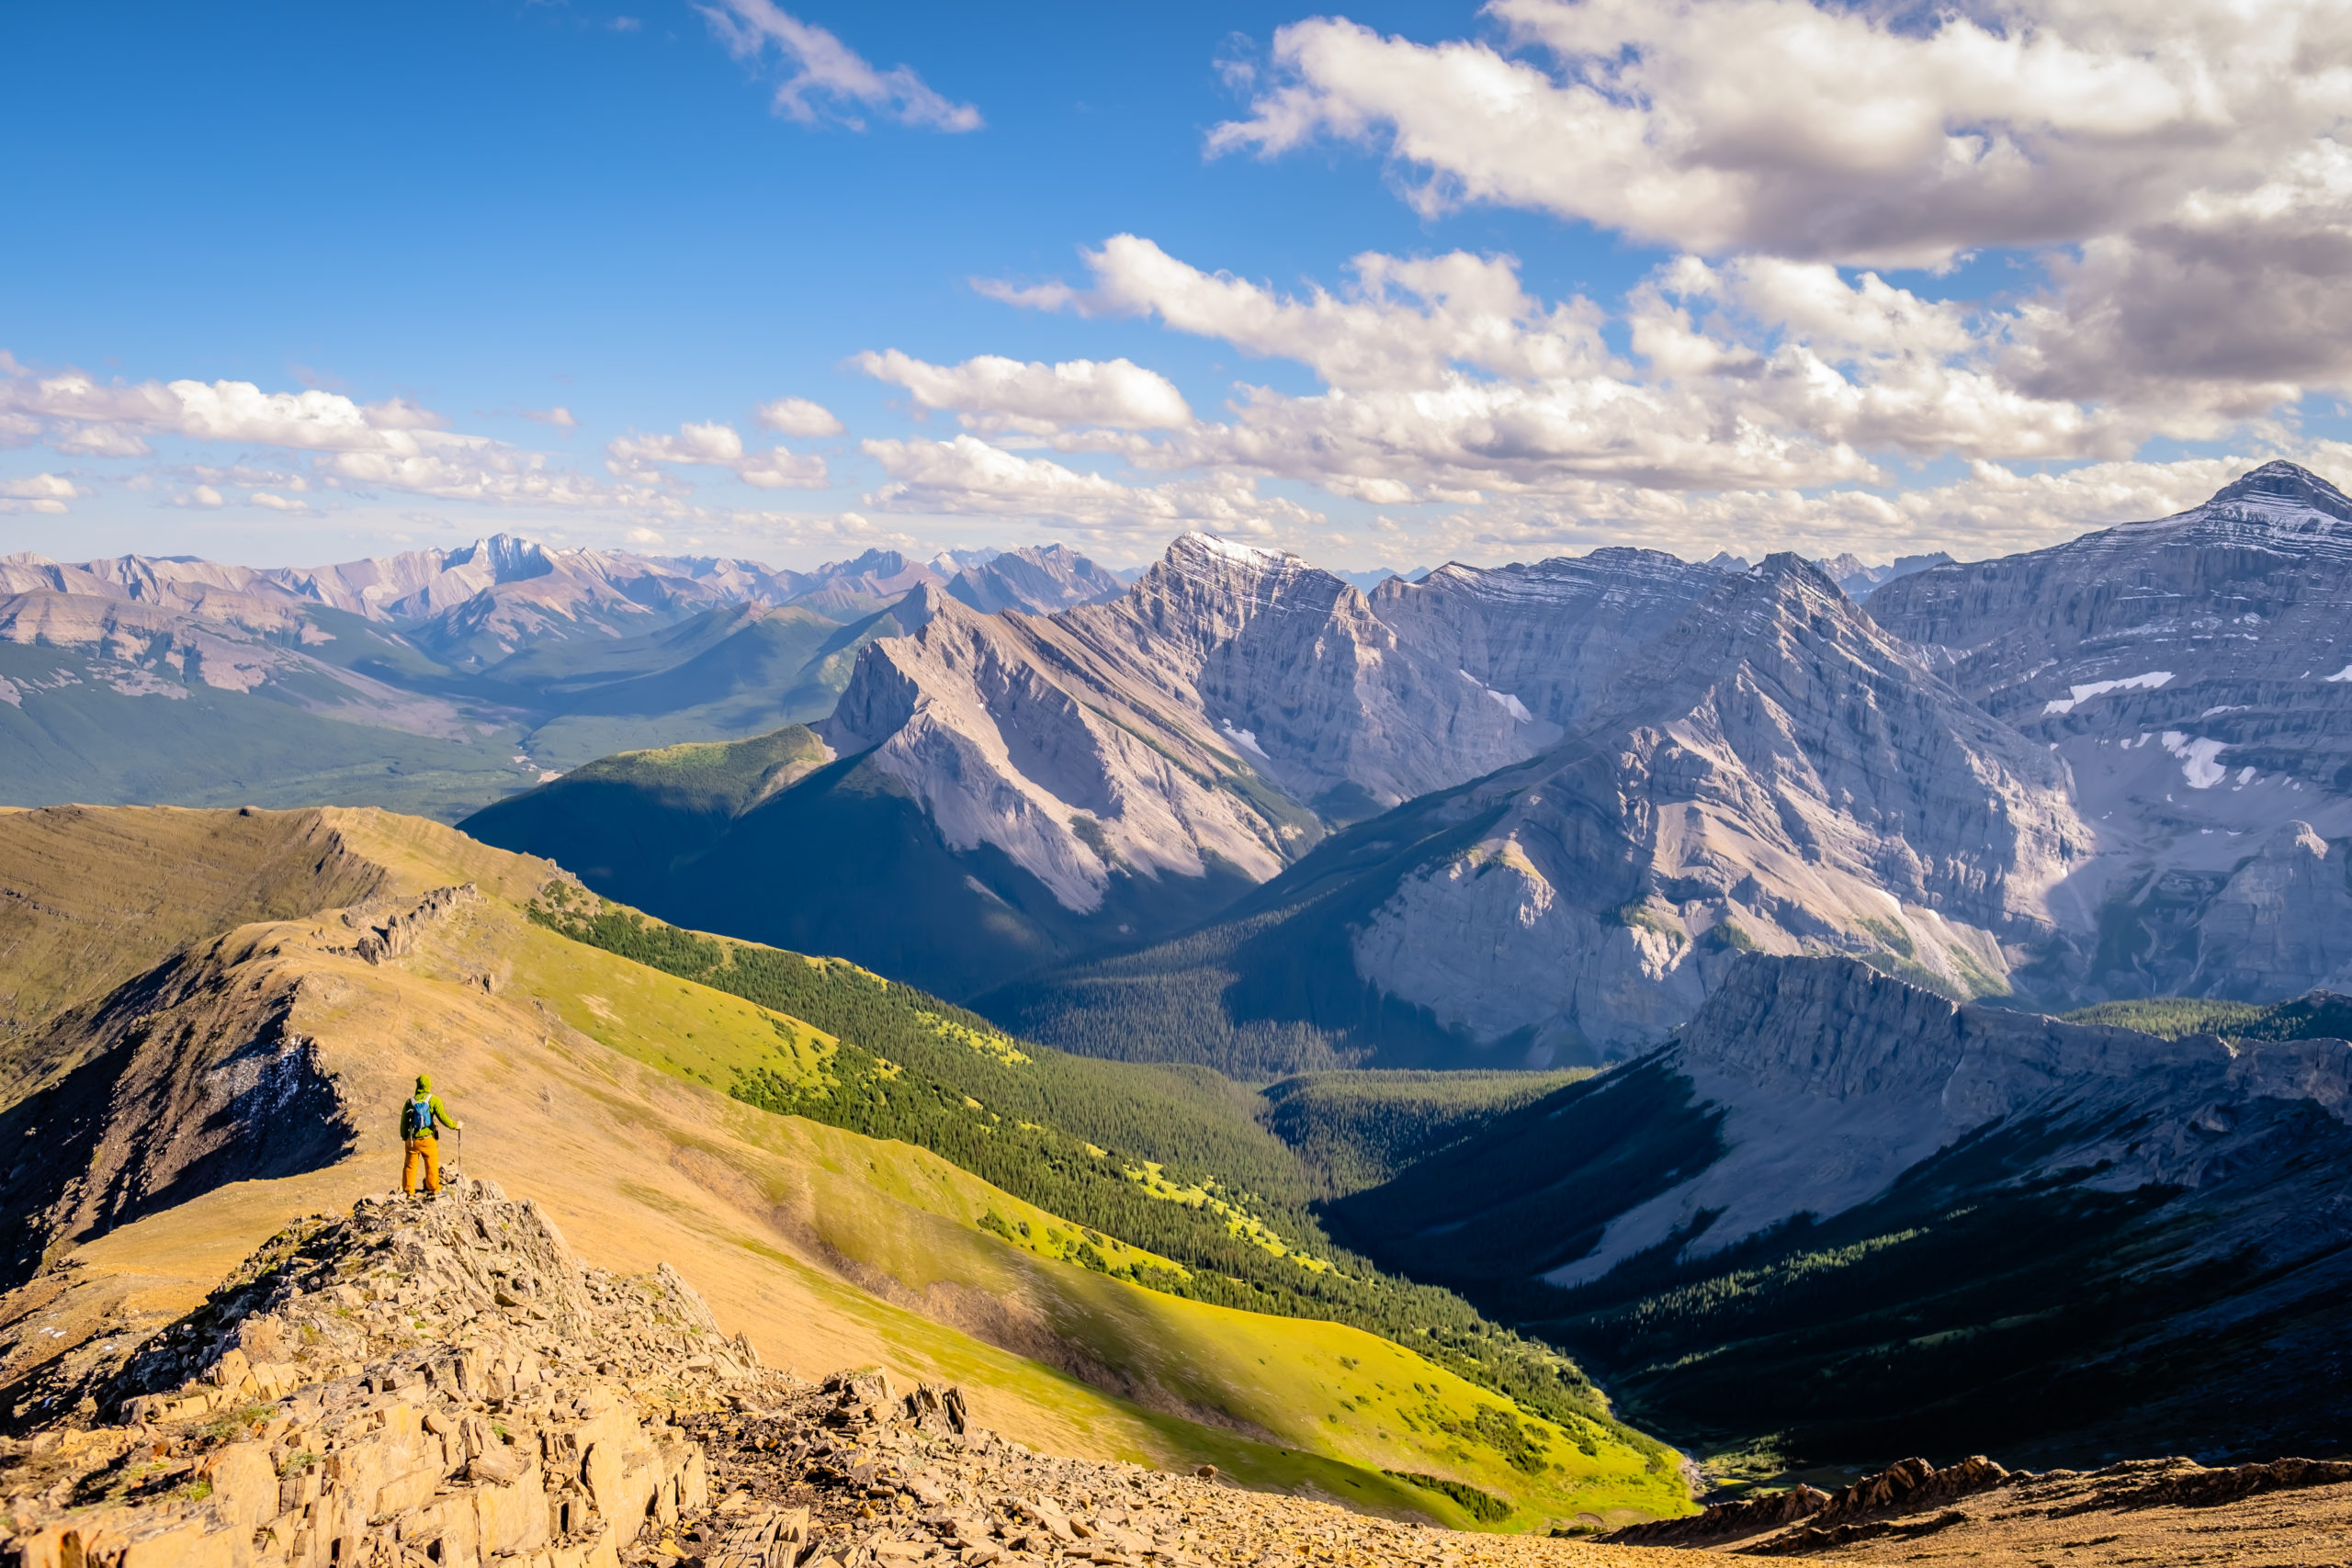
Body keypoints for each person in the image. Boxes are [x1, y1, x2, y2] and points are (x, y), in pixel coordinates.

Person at [401, 1072, 464, 1196]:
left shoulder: (410, 1102)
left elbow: (404, 1122)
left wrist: (404, 1136)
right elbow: (443, 1117)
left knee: (410, 1166)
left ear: (418, 1086)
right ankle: (434, 1189)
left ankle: (409, 1192)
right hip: (428, 1140)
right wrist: (455, 1126)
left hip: (412, 1140)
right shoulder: (433, 1100)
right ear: (428, 1085)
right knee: (431, 1164)